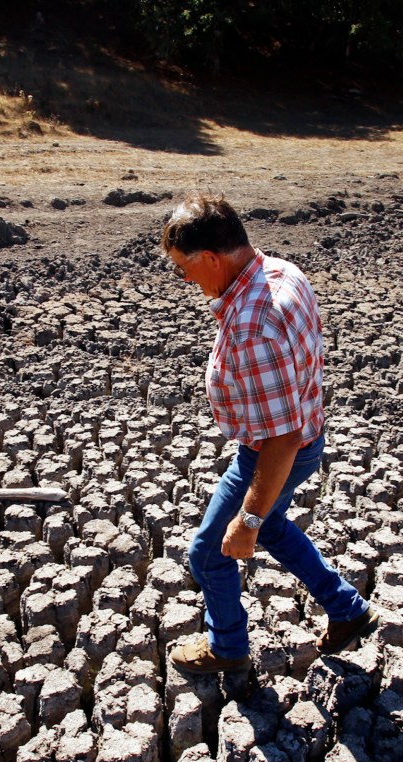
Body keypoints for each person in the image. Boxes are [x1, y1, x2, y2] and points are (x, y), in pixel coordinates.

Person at [162, 192, 376, 675]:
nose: (185, 279)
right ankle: (346, 608)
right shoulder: (280, 271)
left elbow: (282, 437)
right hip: (301, 438)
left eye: (184, 268)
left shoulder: (253, 324)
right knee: (276, 525)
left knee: (211, 553)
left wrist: (249, 521)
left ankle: (229, 650)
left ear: (212, 258)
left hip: (275, 452)